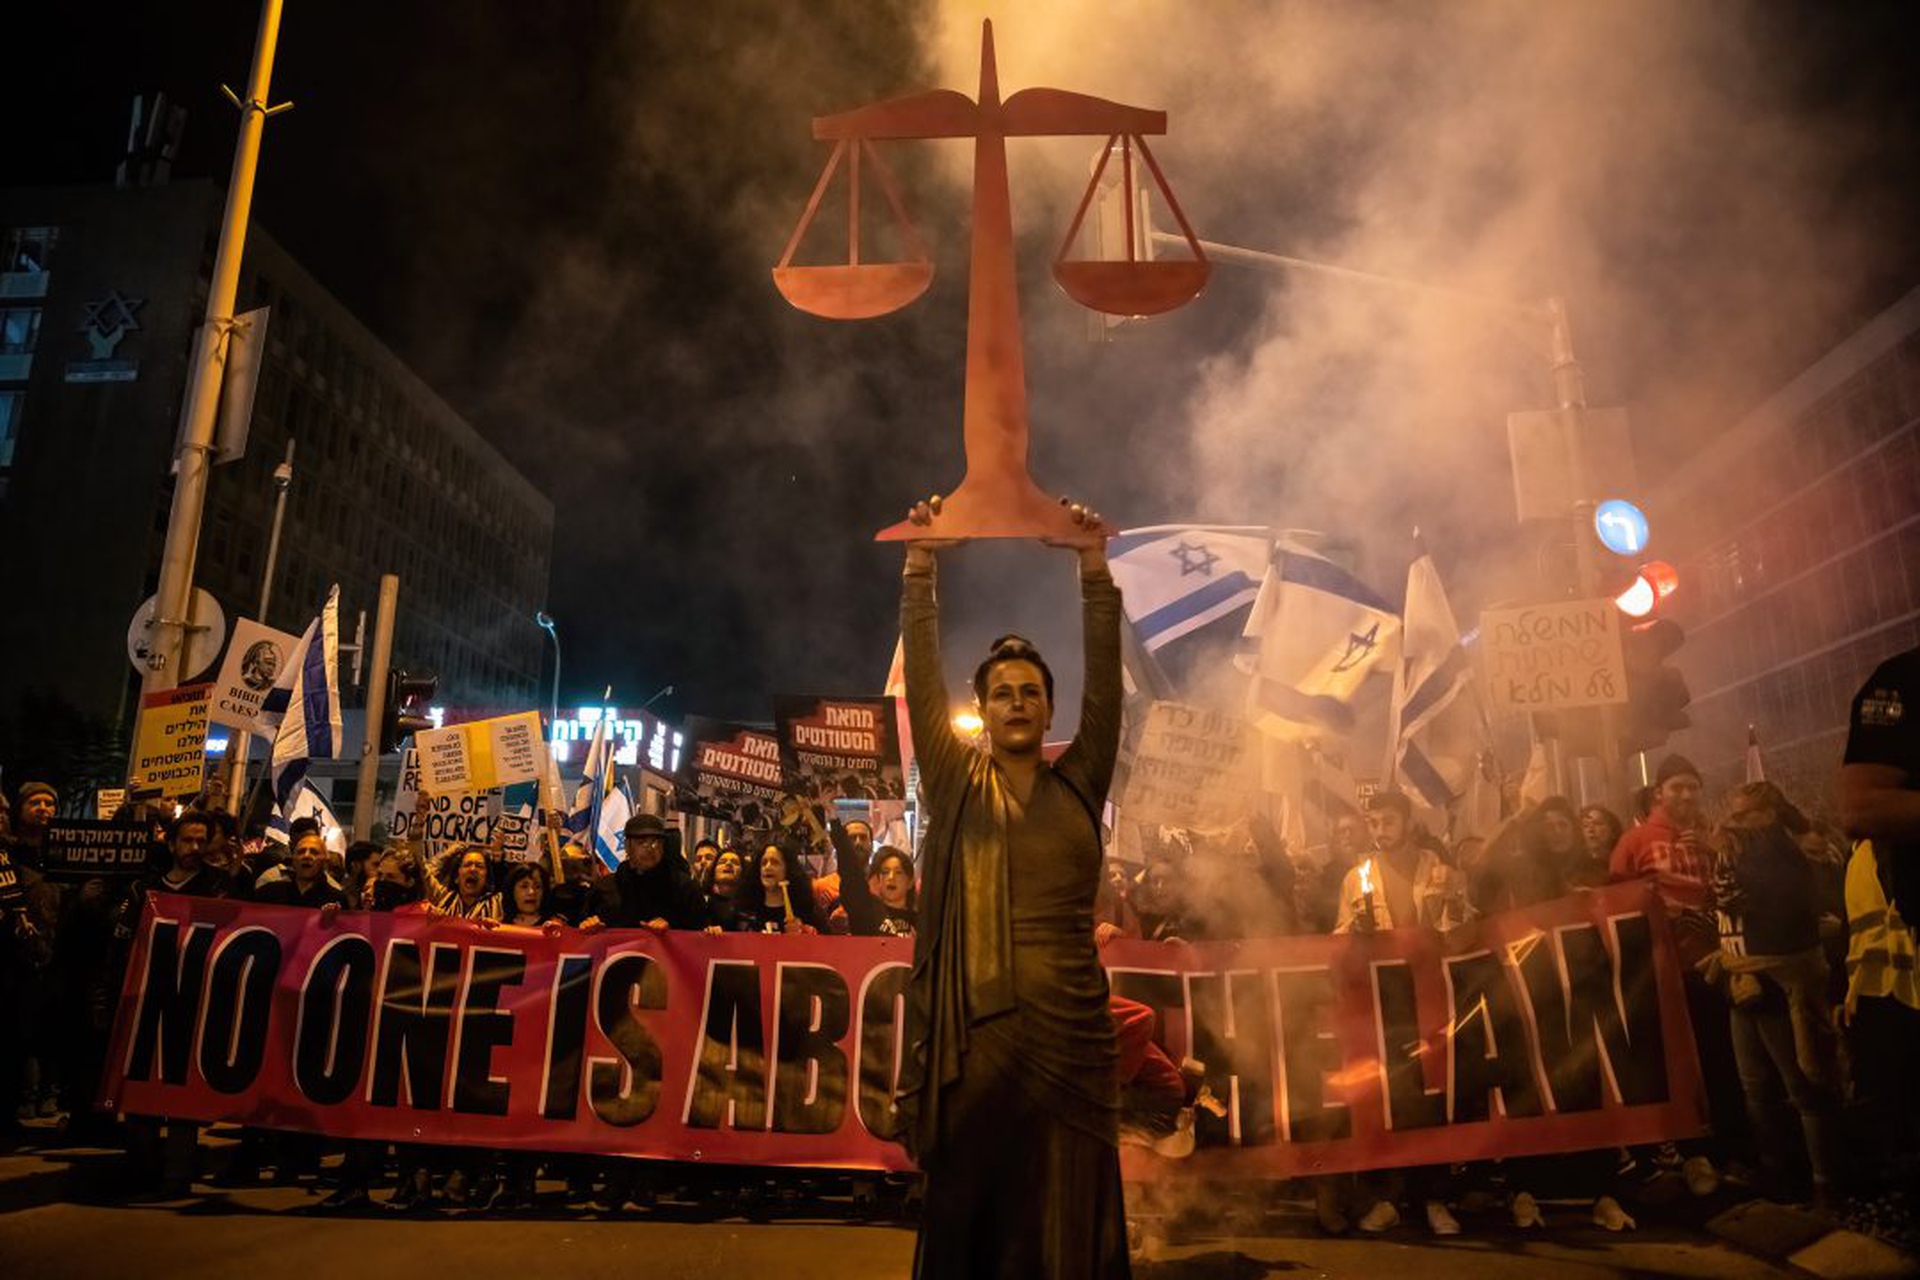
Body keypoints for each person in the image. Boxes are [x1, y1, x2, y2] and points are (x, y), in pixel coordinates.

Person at [895, 494, 1130, 1279]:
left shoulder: (1080, 781)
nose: (1019, 702)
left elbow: (1109, 690)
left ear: (1051, 708)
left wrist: (1094, 572)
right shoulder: (955, 782)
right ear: (982, 712)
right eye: (1003, 693)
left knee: (1069, 1206)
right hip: (978, 1032)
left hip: (1073, 1032)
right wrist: (922, 564)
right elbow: (923, 683)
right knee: (975, 1204)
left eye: (1031, 691)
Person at [1334, 790, 1470, 1237]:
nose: (1379, 831)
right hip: (1384, 998)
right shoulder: (1358, 877)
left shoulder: (1440, 870)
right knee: (1391, 1093)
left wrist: (1452, 910)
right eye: (1373, 823)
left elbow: (1465, 929)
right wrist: (1355, 931)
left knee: (1433, 1092)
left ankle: (1434, 1197)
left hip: (1432, 993)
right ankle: (1389, 1197)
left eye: (1387, 821)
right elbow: (1337, 939)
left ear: (1408, 822)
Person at [1705, 782, 1844, 1206]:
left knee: (1802, 1082)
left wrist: (1728, 854)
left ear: (1769, 816)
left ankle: (1824, 1182)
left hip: (1776, 983)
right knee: (1756, 1086)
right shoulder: (1739, 851)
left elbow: (1753, 900)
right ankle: (1778, 1173)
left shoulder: (1779, 852)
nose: (1733, 821)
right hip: (1743, 977)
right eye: (1734, 813)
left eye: (1745, 815)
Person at [1609, 753, 1739, 1195]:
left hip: (1724, 967)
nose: (1685, 795)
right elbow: (1614, 901)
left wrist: (1718, 852)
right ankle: (1693, 1154)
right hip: (1667, 973)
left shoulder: (1718, 838)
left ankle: (1732, 1152)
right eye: (1676, 787)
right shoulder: (1635, 840)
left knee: (1726, 1059)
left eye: (1692, 787)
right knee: (1684, 1064)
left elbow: (1744, 885)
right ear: (1659, 792)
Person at [114, 809, 229, 1196]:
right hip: (146, 1002)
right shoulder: (144, 890)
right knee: (141, 1090)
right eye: (187, 840)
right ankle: (140, 1171)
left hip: (195, 1006)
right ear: (171, 842)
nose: (193, 848)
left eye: (201, 841)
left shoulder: (219, 890)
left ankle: (177, 1175)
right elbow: (121, 944)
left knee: (184, 1093)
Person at [580, 813, 707, 933]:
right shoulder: (605, 887)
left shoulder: (684, 888)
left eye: (656, 842)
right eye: (641, 842)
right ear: (627, 846)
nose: (650, 848)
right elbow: (580, 931)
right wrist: (590, 926)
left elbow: (700, 938)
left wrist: (672, 929)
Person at [831, 817, 917, 936]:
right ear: (878, 880)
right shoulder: (866, 908)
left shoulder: (923, 920)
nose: (891, 877)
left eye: (899, 872)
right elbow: (851, 875)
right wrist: (835, 823)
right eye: (885, 872)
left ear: (910, 881)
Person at [732, 839, 821, 934]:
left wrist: (804, 932)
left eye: (775, 862)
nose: (767, 867)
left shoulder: (806, 909)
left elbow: (827, 941)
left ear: (788, 869)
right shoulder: (744, 907)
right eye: (763, 863)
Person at [429, 845, 503, 920]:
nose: (473, 869)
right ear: (457, 878)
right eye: (467, 865)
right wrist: (446, 855)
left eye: (479, 866)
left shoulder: (498, 902)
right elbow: (424, 874)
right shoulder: (443, 897)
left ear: (487, 878)